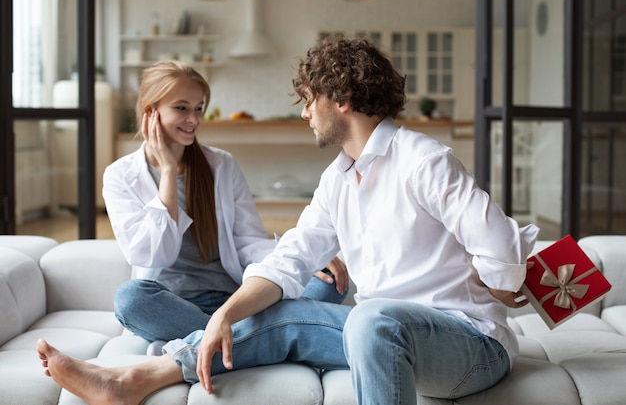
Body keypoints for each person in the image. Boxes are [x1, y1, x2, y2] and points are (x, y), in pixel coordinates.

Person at [38, 38, 539, 405]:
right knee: (286, 314)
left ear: (340, 99)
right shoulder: (340, 177)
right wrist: (224, 315)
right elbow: (289, 258)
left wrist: (499, 283)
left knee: (370, 315)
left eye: (308, 100)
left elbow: (500, 244)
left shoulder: (423, 159)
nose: (304, 114)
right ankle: (134, 380)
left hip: (468, 344)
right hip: (384, 337)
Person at [102, 60, 348, 345]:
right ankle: (256, 339)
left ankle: (224, 339)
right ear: (151, 112)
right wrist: (168, 172)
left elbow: (248, 241)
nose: (193, 119)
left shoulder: (221, 165)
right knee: (129, 300)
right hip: (173, 302)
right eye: (181, 108)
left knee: (329, 279)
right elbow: (154, 255)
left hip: (236, 299)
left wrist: (302, 256)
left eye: (198, 108)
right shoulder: (120, 176)